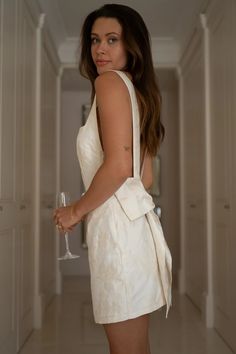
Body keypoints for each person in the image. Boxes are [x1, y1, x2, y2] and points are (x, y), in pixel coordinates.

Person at [54, 4, 172, 354]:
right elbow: (144, 177)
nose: (99, 49)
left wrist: (75, 211)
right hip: (138, 232)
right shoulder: (138, 92)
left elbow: (120, 167)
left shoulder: (108, 83)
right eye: (94, 40)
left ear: (130, 45)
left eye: (111, 39)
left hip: (119, 237)